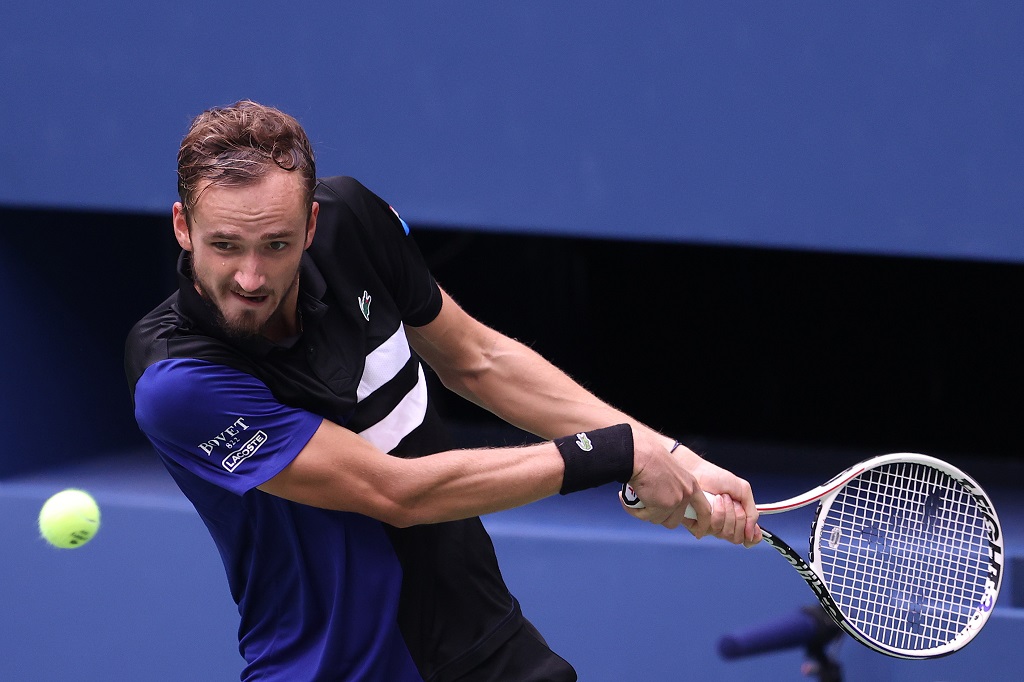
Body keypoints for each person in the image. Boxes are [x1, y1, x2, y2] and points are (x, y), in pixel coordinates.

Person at [125, 100, 762, 682]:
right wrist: (615, 454)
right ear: (183, 226)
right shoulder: (178, 380)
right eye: (225, 246)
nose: (251, 275)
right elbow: (393, 492)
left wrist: (676, 458)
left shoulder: (355, 222)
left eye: (277, 244)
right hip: (339, 669)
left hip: (482, 634)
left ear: (313, 223)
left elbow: (479, 360)